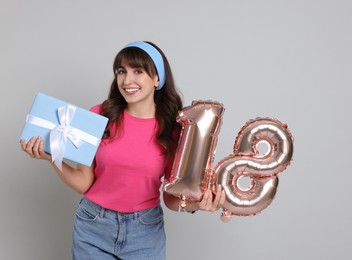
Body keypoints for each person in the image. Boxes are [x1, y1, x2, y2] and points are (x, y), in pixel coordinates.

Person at [20, 41, 226, 260]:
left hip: (145, 232)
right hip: (92, 226)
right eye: (121, 72)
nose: (127, 80)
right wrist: (53, 158)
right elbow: (84, 182)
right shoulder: (99, 115)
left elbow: (171, 198)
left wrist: (196, 204)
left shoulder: (174, 131)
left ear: (157, 79)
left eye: (138, 71)